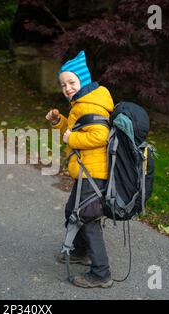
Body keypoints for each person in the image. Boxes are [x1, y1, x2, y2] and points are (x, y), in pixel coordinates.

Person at [46, 50, 114, 288]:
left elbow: (100, 135)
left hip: (94, 173)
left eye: (72, 82)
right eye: (63, 84)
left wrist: (71, 139)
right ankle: (81, 252)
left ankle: (101, 273)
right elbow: (80, 129)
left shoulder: (88, 105)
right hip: (87, 171)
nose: (67, 88)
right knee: (71, 210)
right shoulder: (81, 104)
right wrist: (59, 121)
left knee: (87, 219)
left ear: (83, 81)